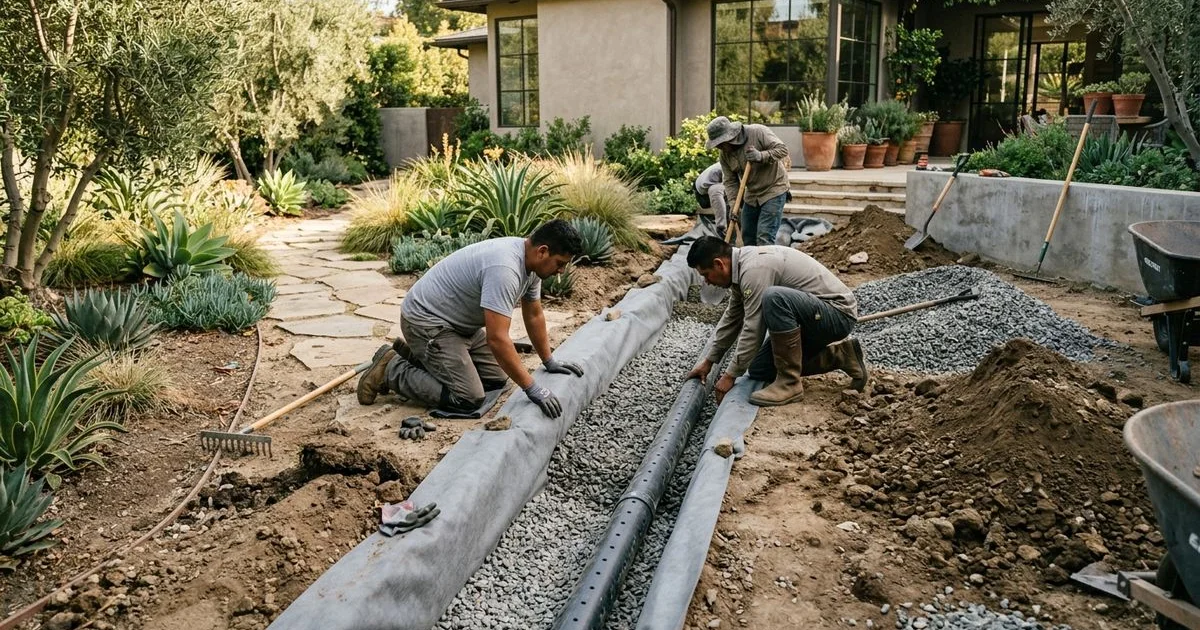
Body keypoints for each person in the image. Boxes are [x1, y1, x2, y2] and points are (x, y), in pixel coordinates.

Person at [356, 219, 586, 418]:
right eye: (560, 263)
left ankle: (411, 354)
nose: (561, 271)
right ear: (543, 251)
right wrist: (533, 388)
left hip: (458, 326)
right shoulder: (505, 269)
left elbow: (534, 314)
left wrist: (549, 361)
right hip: (427, 322)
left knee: (496, 380)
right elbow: (497, 339)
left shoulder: (531, 263)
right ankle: (390, 369)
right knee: (468, 398)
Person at [683, 236, 868, 407]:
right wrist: (709, 361)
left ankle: (789, 383)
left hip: (837, 314)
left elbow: (753, 328)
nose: (706, 282)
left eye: (706, 274)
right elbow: (732, 318)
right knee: (759, 369)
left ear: (719, 264)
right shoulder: (741, 269)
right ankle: (843, 356)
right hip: (811, 318)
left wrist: (730, 375)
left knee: (774, 297)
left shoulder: (754, 269)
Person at [705, 116, 790, 246]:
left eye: (721, 144)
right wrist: (734, 206)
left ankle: (765, 264)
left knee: (764, 237)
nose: (719, 148)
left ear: (729, 137)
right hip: (752, 194)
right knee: (748, 237)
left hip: (773, 188)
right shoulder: (724, 155)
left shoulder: (758, 132)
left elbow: (783, 150)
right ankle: (751, 264)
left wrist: (761, 156)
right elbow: (730, 181)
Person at [694, 162, 728, 236]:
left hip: (701, 189)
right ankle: (722, 229)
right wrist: (721, 226)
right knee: (718, 191)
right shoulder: (722, 169)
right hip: (703, 195)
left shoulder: (724, 165)